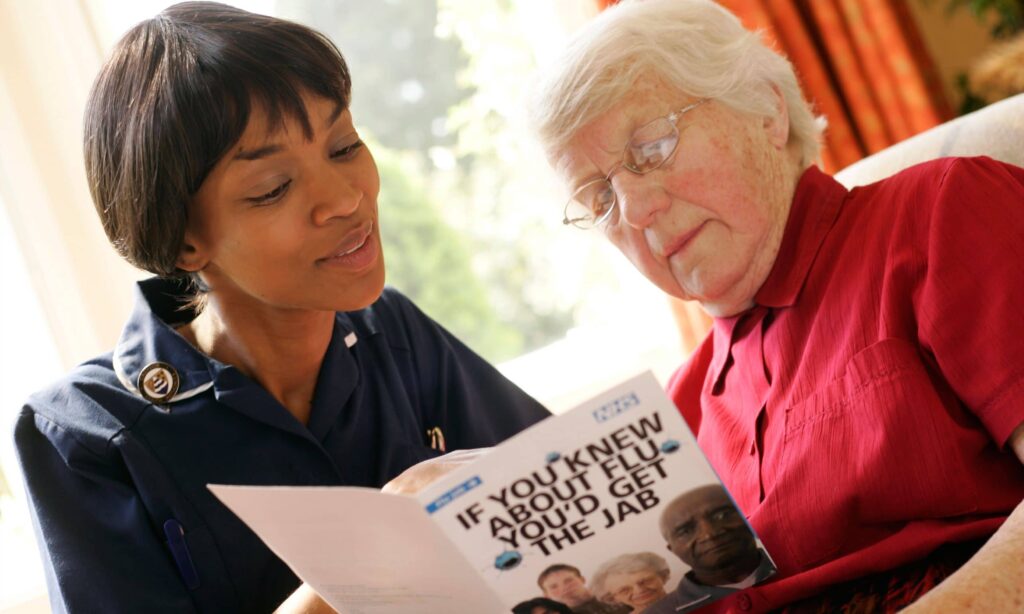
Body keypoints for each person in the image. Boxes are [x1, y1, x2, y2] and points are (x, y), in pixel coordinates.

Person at [12, 3, 549, 613]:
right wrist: (365, 567)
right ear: (183, 239)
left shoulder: (394, 335)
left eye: (344, 146)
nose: (345, 200)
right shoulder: (84, 436)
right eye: (273, 188)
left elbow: (576, 514)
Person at [529, 0, 1024, 611]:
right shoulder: (676, 416)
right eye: (599, 195)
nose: (633, 211)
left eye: (651, 147)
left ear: (766, 109)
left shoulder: (937, 215)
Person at [646, 485, 774, 613]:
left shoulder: (792, 559)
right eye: (685, 531)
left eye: (722, 515)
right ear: (672, 549)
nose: (709, 534)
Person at [590, 552, 672, 613]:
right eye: (624, 590)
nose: (639, 590)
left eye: (645, 581)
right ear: (612, 599)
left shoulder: (685, 597)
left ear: (663, 576)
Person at [538, 564, 632, 614]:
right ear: (547, 596)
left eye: (569, 580)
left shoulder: (615, 594)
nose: (564, 587)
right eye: (553, 587)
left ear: (582, 579)